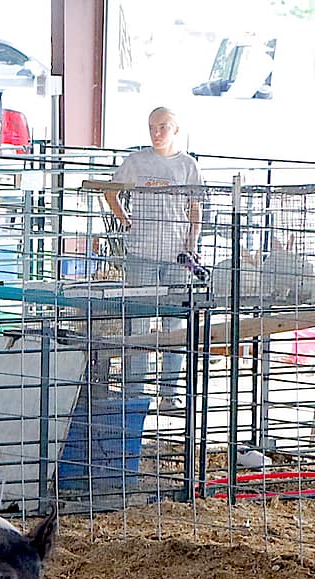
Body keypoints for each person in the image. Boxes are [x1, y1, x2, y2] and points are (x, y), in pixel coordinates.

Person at [103, 106, 202, 411]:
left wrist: (191, 243)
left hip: (176, 256)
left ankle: (170, 392)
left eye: (161, 127)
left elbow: (195, 208)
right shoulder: (136, 161)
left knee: (175, 327)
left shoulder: (188, 165)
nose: (155, 133)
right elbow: (110, 192)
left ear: (175, 129)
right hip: (142, 253)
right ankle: (135, 392)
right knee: (139, 323)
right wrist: (125, 220)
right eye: (151, 128)